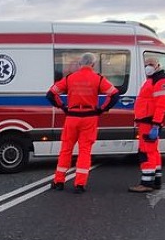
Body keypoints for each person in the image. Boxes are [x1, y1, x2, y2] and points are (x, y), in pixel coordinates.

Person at [45, 52, 120, 193]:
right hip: (90, 118)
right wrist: (102, 109)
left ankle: (59, 181)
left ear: (80, 64)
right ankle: (79, 184)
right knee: (85, 151)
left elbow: (50, 94)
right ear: (93, 64)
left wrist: (63, 106)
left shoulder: (70, 78)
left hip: (72, 117)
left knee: (66, 150)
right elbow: (115, 95)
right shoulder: (98, 79)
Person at [128, 55, 165, 192]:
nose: (148, 67)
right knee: (153, 151)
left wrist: (156, 125)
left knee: (146, 152)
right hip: (147, 121)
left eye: (151, 64)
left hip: (150, 122)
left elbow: (161, 105)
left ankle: (146, 183)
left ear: (158, 65)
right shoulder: (153, 79)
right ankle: (155, 180)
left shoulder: (161, 80)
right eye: (146, 64)